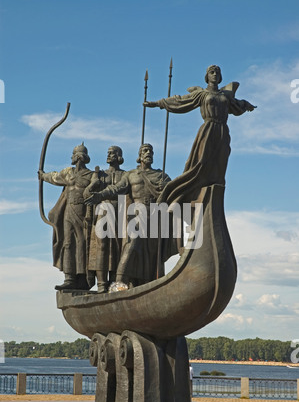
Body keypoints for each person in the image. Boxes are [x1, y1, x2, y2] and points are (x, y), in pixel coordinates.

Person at [144, 65, 256, 205]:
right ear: (207, 76)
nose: (215, 74)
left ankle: (214, 202)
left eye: (217, 73)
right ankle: (177, 197)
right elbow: (180, 101)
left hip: (223, 132)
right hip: (208, 130)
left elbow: (237, 104)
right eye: (212, 72)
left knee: (220, 167)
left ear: (220, 77)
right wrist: (158, 103)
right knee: (200, 164)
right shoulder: (202, 94)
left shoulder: (225, 96)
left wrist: (247, 105)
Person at [85, 143, 173, 287]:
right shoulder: (131, 175)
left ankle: (147, 284)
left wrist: (166, 189)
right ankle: (119, 283)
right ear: (139, 156)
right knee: (131, 247)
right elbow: (116, 189)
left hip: (155, 216)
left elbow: (174, 192)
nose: (148, 153)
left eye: (151, 151)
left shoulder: (161, 176)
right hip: (137, 214)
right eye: (145, 151)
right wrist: (100, 195)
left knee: (152, 253)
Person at [38, 142, 94, 290]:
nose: (75, 158)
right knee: (68, 243)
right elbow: (55, 177)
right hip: (68, 210)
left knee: (82, 243)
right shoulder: (68, 173)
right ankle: (69, 278)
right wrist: (43, 176)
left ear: (82, 157)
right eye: (75, 155)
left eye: (77, 155)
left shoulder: (90, 175)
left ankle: (82, 278)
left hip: (83, 213)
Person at [84, 146, 126, 293]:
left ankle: (114, 283)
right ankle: (102, 283)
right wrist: (94, 183)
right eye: (108, 152)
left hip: (120, 212)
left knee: (117, 248)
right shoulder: (100, 174)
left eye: (112, 153)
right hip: (102, 211)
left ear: (119, 156)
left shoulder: (125, 175)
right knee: (101, 247)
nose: (109, 155)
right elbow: (86, 194)